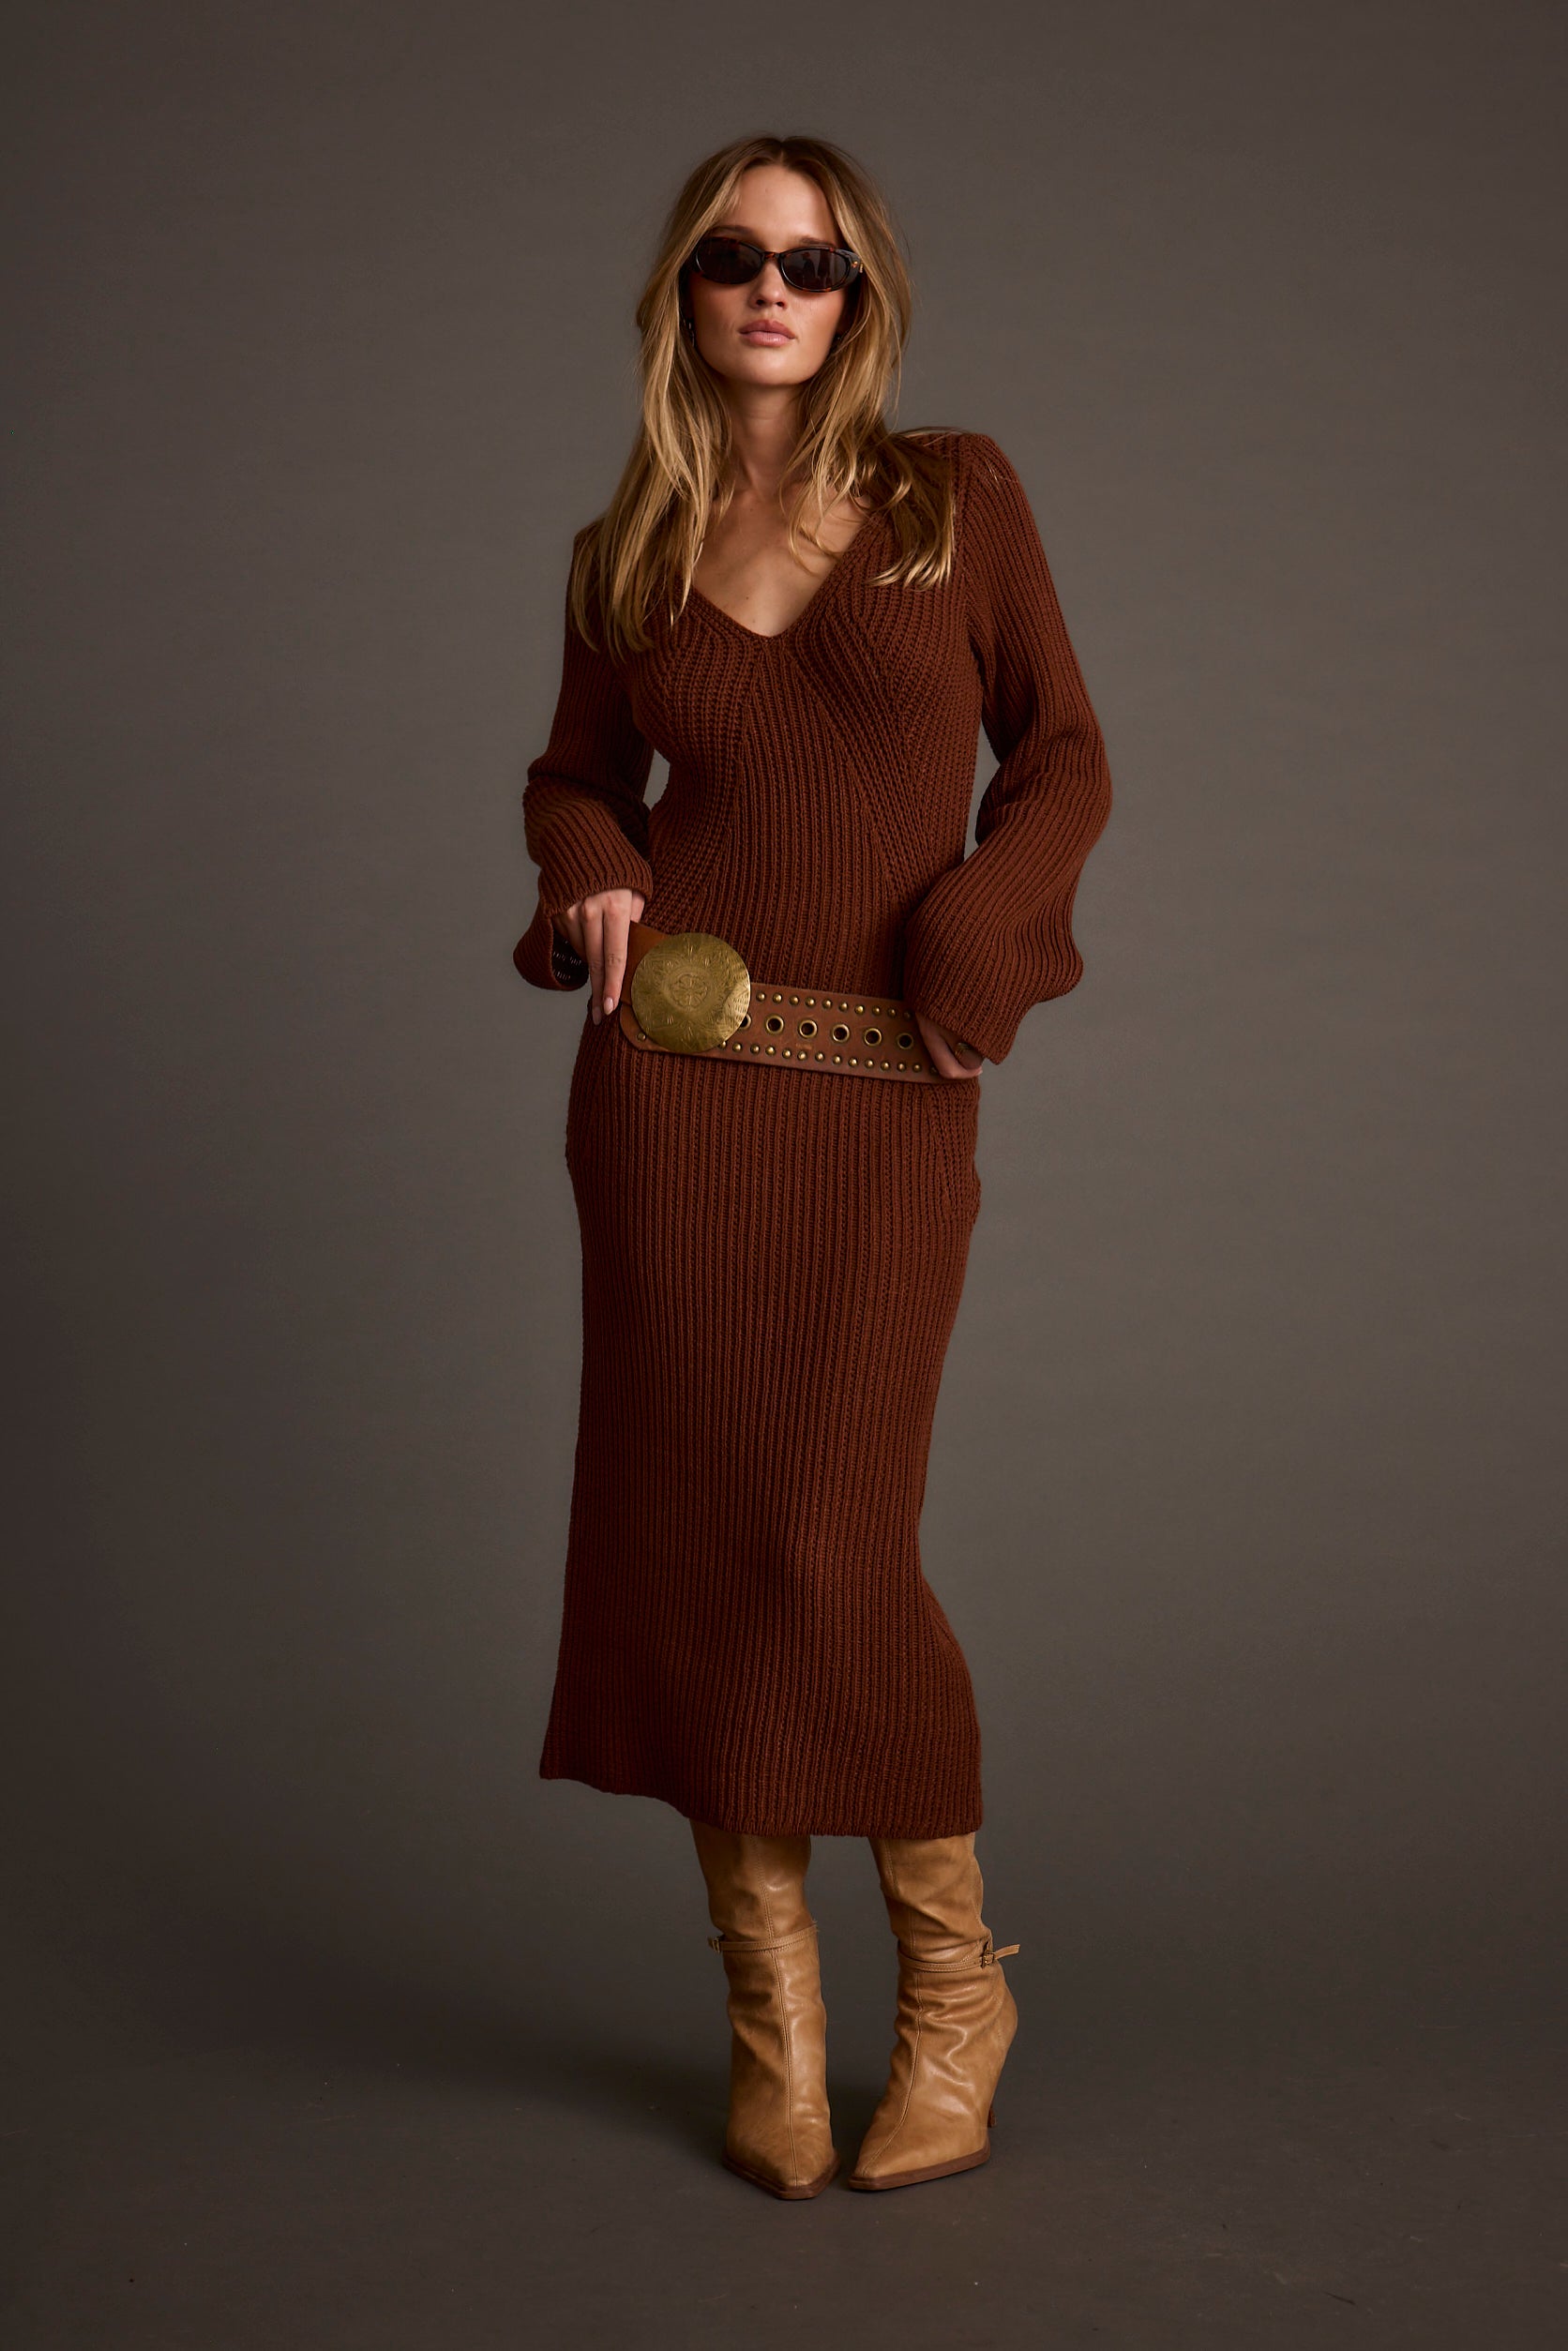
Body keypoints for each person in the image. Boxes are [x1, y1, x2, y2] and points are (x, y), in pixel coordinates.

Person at [513, 131, 1113, 2197]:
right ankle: (771, 2018)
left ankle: (954, 1994)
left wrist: (974, 949)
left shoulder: (954, 498)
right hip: (671, 1104)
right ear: (682, 289)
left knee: (826, 1539)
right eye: (734, 254)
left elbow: (1062, 759)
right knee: (699, 1543)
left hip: (877, 1110)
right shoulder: (629, 544)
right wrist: (590, 872)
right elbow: (574, 777)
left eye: (816, 262)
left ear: (862, 299)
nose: (775, 288)